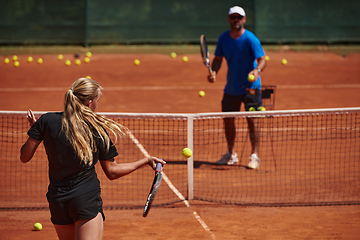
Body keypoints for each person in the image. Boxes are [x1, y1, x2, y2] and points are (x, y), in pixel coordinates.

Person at [20, 78, 165, 240]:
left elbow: (24, 157)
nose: (97, 105)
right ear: (89, 103)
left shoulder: (46, 121)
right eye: (97, 101)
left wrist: (37, 131)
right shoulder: (96, 129)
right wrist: (145, 161)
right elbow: (112, 172)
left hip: (57, 201)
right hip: (85, 200)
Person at [208, 6, 266, 169]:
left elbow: (263, 59)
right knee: (228, 120)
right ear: (229, 19)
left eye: (239, 17)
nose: (236, 20)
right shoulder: (224, 39)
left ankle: (254, 155)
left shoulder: (250, 39)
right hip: (232, 87)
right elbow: (218, 59)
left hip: (251, 87)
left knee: (252, 121)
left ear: (244, 20)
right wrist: (214, 71)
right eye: (233, 17)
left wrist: (257, 70)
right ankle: (231, 154)